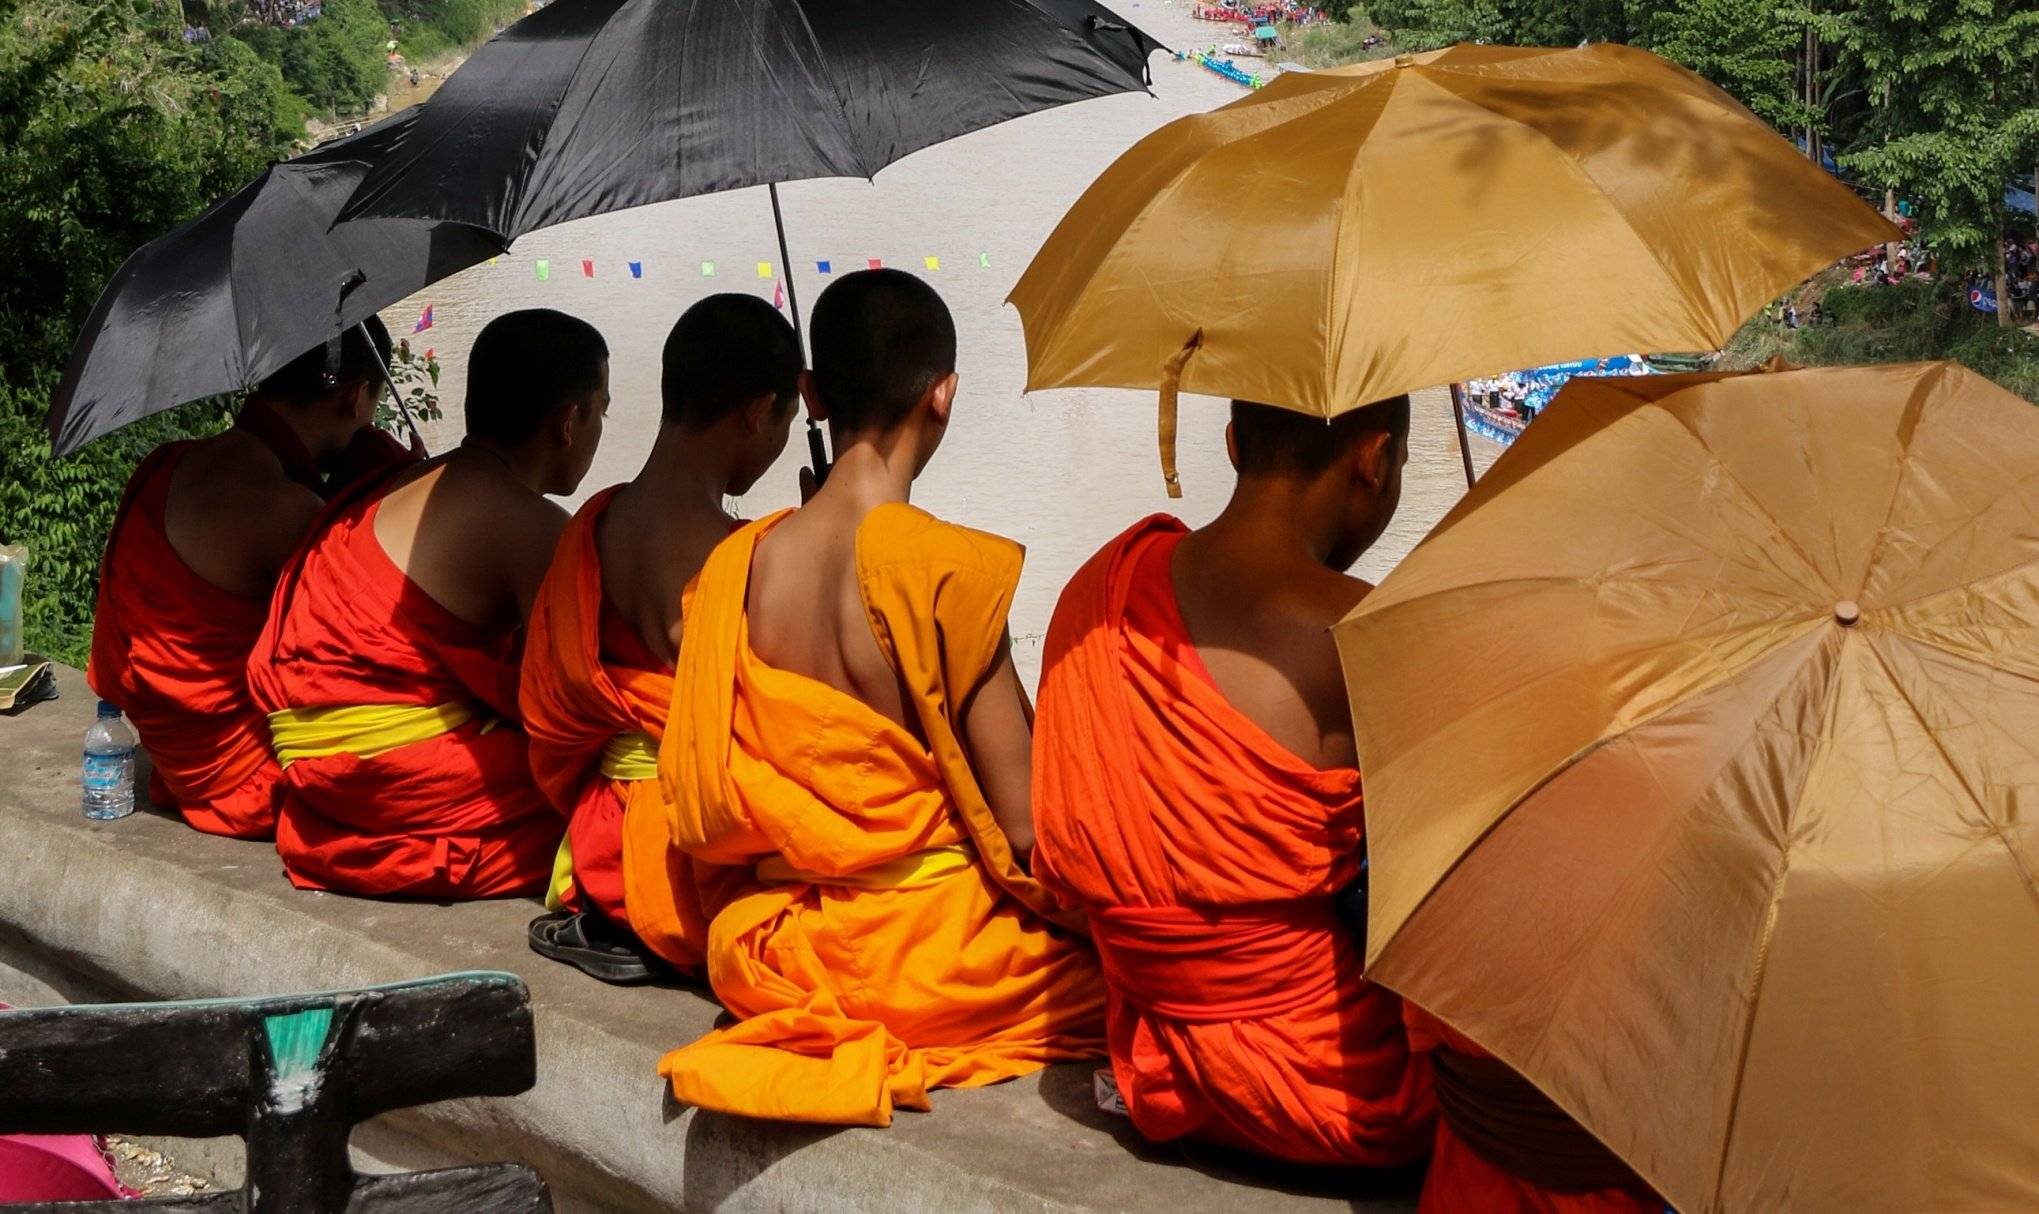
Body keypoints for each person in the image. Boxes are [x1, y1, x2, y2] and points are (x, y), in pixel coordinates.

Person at [658, 269, 1105, 1126]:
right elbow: (1022, 824)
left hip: (787, 948)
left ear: (812, 395)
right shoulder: (944, 568)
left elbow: (707, 793)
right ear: (943, 396)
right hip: (938, 955)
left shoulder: (734, 566)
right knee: (1137, 980)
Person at [1030, 398, 1435, 1171]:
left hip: (1155, 1065)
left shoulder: (1100, 594)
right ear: (1373, 461)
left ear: (1231, 444)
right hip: (1349, 1092)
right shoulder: (1363, 631)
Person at [246, 309, 609, 898]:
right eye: (603, 410)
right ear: (569, 422)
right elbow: (570, 698)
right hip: (382, 775)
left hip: (313, 778)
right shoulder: (532, 524)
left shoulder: (407, 480)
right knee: (607, 796)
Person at [521, 295, 801, 982]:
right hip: (702, 867)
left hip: (600, 853)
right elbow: (791, 734)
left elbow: (551, 712)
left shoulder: (591, 527)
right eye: (787, 422)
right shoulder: (746, 555)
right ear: (758, 411)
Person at [89, 321, 414, 840]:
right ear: (357, 398)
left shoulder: (165, 463)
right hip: (244, 781)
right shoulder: (286, 509)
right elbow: (379, 651)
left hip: (173, 760)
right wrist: (398, 491)